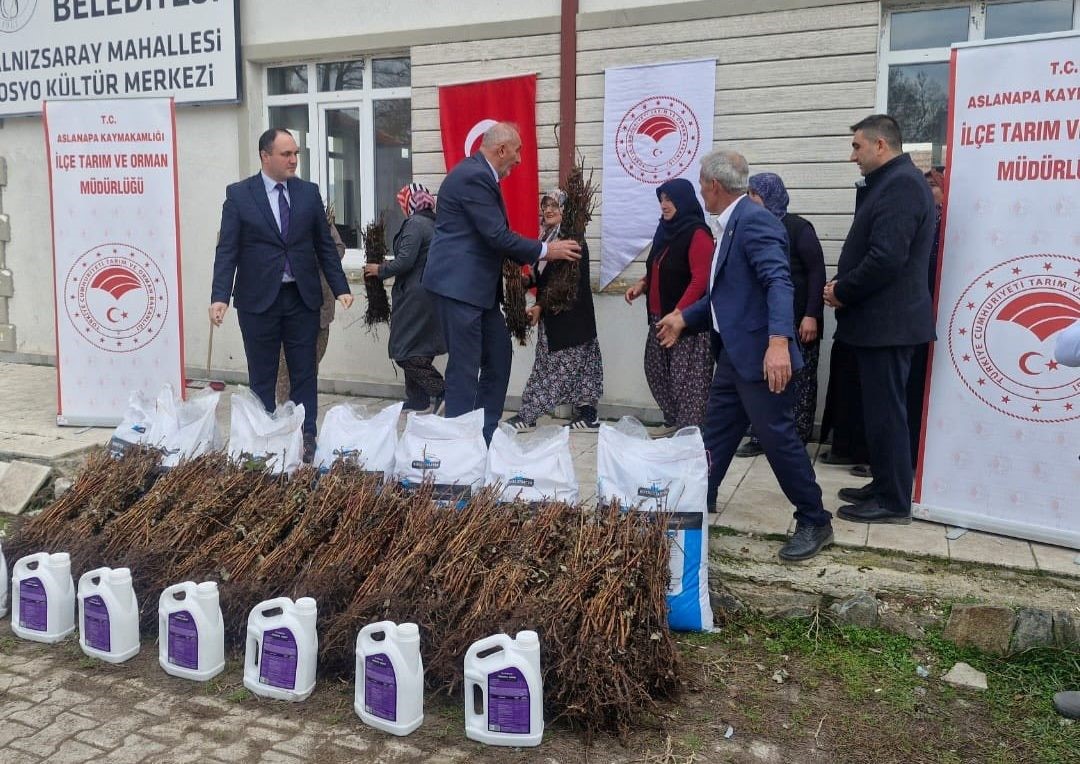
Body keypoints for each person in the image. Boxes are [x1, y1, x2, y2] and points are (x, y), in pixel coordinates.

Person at [656, 149, 833, 562]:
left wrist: (777, 343)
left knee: (779, 440)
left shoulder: (755, 222)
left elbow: (778, 282)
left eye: (701, 185)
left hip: (761, 357)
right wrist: (685, 317)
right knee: (715, 434)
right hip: (735, 356)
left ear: (714, 186)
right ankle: (698, 502)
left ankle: (814, 518)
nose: (699, 191)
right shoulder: (729, 225)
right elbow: (725, 296)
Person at [422, 122, 581, 443]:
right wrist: (548, 250)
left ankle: (485, 435)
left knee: (498, 357)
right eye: (518, 150)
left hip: (479, 292)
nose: (520, 159)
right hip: (458, 289)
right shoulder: (473, 176)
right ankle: (459, 445)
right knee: (465, 369)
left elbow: (488, 238)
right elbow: (495, 235)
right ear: (501, 149)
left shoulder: (480, 175)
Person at [210, 128, 354, 463]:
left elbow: (324, 247)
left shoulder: (307, 193)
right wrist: (220, 297)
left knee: (304, 373)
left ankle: (305, 439)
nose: (293, 160)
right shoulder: (240, 195)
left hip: (301, 298)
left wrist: (341, 287)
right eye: (286, 154)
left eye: (296, 154)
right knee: (262, 376)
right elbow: (227, 250)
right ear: (265, 156)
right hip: (258, 301)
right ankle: (264, 439)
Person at [824, 114, 936, 524]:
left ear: (880, 145)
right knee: (879, 410)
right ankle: (884, 483)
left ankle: (893, 501)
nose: (852, 155)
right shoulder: (892, 182)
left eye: (857, 146)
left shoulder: (902, 185)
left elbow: (887, 258)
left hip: (889, 324)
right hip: (880, 323)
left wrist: (842, 290)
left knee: (888, 413)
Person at [736, 172, 826, 456]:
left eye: (754, 194)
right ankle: (761, 437)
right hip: (764, 322)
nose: (749, 200)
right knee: (765, 382)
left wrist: (811, 314)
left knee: (799, 380)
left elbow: (816, 272)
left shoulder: (798, 228)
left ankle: (795, 438)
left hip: (799, 321)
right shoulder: (750, 227)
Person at [505, 190, 603, 431]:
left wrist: (539, 305)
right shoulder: (547, 239)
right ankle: (588, 416)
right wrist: (525, 282)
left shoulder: (572, 241)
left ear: (565, 211)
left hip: (571, 319)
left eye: (554, 206)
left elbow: (564, 284)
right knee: (557, 367)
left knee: (556, 370)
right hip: (555, 318)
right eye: (545, 205)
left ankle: (528, 415)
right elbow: (545, 277)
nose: (548, 210)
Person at [624, 178, 714, 434]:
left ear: (684, 200)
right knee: (657, 371)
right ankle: (674, 422)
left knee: (686, 381)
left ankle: (690, 432)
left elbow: (700, 280)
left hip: (686, 324)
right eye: (661, 199)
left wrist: (679, 313)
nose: (664, 204)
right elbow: (658, 265)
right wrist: (642, 284)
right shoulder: (664, 230)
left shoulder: (697, 233)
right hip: (659, 318)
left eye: (670, 199)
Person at [364, 183, 446, 413]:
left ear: (409, 202)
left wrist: (379, 269)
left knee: (404, 351)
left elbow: (405, 261)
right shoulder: (434, 222)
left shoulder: (416, 224)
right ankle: (417, 398)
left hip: (415, 296)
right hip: (432, 293)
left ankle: (441, 390)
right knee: (420, 347)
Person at [275, 207, 346, 407]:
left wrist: (310, 254)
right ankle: (284, 409)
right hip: (288, 305)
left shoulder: (320, 218)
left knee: (312, 361)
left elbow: (338, 249)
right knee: (285, 365)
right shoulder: (276, 219)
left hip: (320, 304)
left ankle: (303, 411)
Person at [905, 167, 947, 465]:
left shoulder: (948, 224)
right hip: (914, 317)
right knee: (910, 387)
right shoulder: (921, 220)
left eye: (934, 184)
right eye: (926, 185)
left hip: (944, 316)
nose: (929, 191)